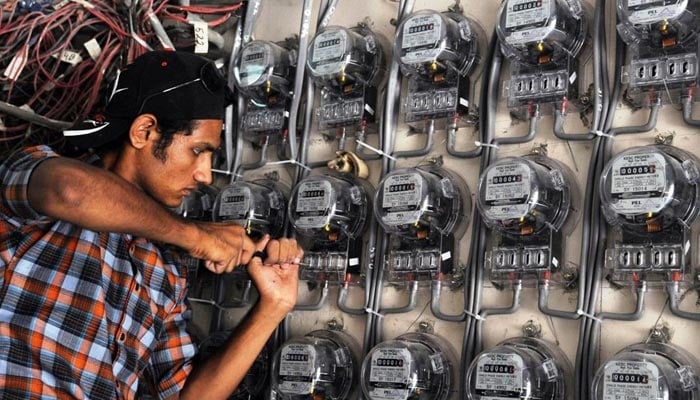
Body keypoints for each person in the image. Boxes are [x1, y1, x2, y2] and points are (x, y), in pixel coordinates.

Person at [0, 50, 302, 399]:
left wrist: (273, 306)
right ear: (144, 131)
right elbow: (70, 191)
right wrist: (197, 237)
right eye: (197, 151)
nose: (205, 175)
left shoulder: (165, 273)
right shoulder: (36, 175)